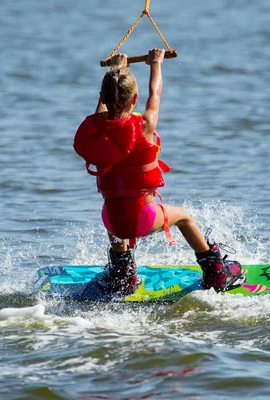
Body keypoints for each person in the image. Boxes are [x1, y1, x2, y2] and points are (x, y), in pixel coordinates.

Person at [74, 49, 245, 295]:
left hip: (112, 220)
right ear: (134, 100)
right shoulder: (143, 127)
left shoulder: (98, 131)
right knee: (184, 217)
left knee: (113, 207)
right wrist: (156, 63)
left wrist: (116, 71)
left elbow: (102, 109)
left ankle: (122, 274)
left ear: (102, 96)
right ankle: (215, 271)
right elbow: (155, 93)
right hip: (144, 218)